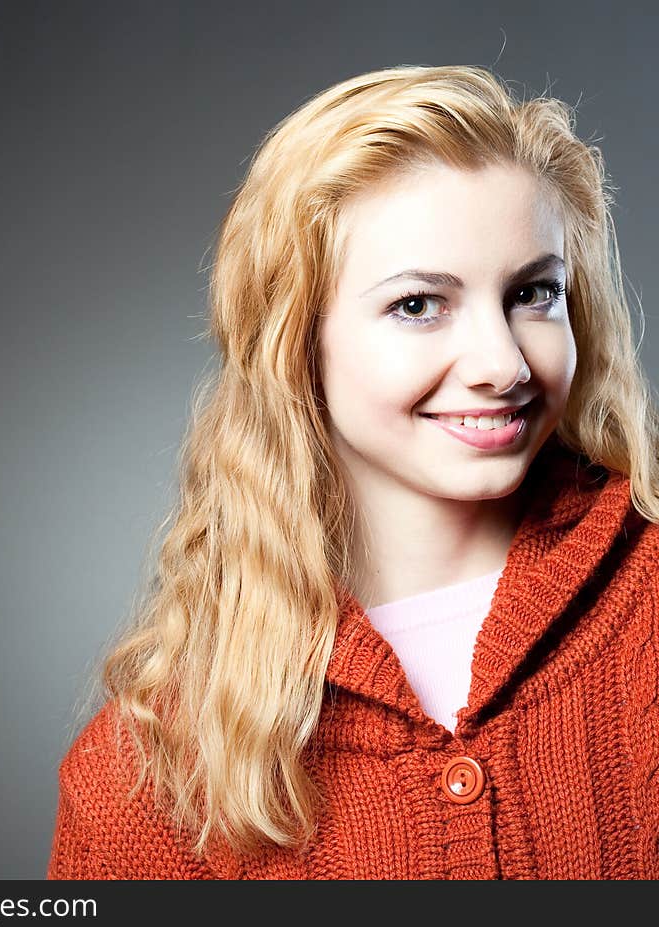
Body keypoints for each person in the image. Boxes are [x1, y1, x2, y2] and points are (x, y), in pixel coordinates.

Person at [47, 64, 659, 879]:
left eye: (534, 293)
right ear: (298, 341)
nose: (502, 362)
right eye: (418, 304)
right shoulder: (143, 776)